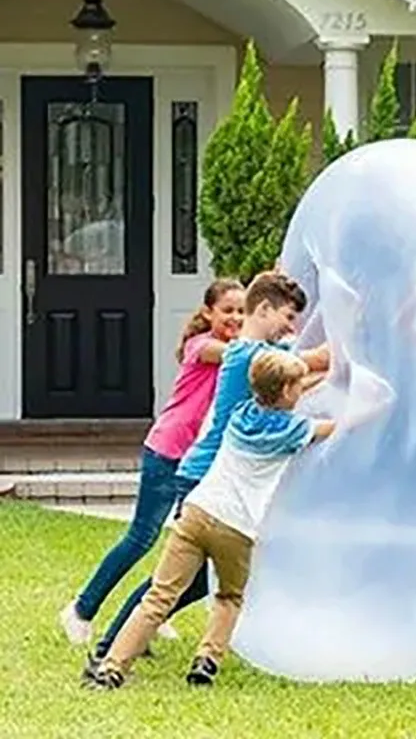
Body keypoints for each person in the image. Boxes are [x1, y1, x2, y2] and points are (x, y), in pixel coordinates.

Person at [86, 270, 329, 669]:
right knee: (180, 579)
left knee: (189, 578)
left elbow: (300, 382)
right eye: (287, 317)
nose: (292, 326)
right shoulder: (251, 355)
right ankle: (111, 646)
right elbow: (315, 362)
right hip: (205, 474)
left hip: (208, 473)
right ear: (264, 309)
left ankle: (121, 642)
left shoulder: (250, 352)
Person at [59, 279, 244, 645]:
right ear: (208, 313)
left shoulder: (232, 349)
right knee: (141, 537)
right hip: (168, 452)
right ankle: (81, 609)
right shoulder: (202, 346)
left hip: (198, 463)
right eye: (228, 311)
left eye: (242, 311)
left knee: (186, 551)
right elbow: (238, 353)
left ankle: (152, 615)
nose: (236, 318)